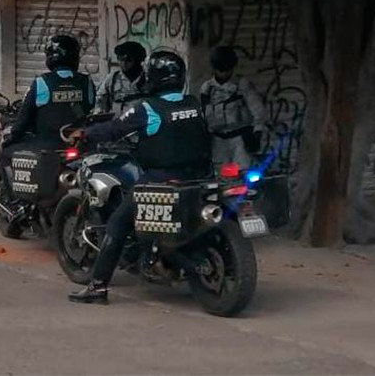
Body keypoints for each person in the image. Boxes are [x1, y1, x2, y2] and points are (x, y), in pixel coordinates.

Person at [67, 50, 212, 305]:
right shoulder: (193, 103)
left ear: (154, 78)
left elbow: (114, 128)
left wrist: (85, 134)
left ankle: (98, 287)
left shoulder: (147, 109)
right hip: (199, 177)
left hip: (161, 178)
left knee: (118, 223)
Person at [3, 34, 93, 146]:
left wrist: (12, 137)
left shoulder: (41, 82)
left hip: (47, 146)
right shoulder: (87, 81)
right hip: (80, 145)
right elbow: (92, 110)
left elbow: (24, 117)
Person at [200, 45, 267, 170]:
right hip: (218, 142)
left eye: (227, 69)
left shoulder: (242, 85)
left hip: (240, 140)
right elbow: (203, 116)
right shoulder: (207, 88)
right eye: (221, 69)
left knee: (243, 176)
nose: (224, 73)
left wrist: (257, 133)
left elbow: (258, 110)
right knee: (220, 177)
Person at [97, 41, 148, 115]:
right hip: (118, 123)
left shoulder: (147, 79)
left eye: (129, 60)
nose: (124, 63)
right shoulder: (112, 78)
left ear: (138, 60)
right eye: (121, 59)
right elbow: (101, 99)